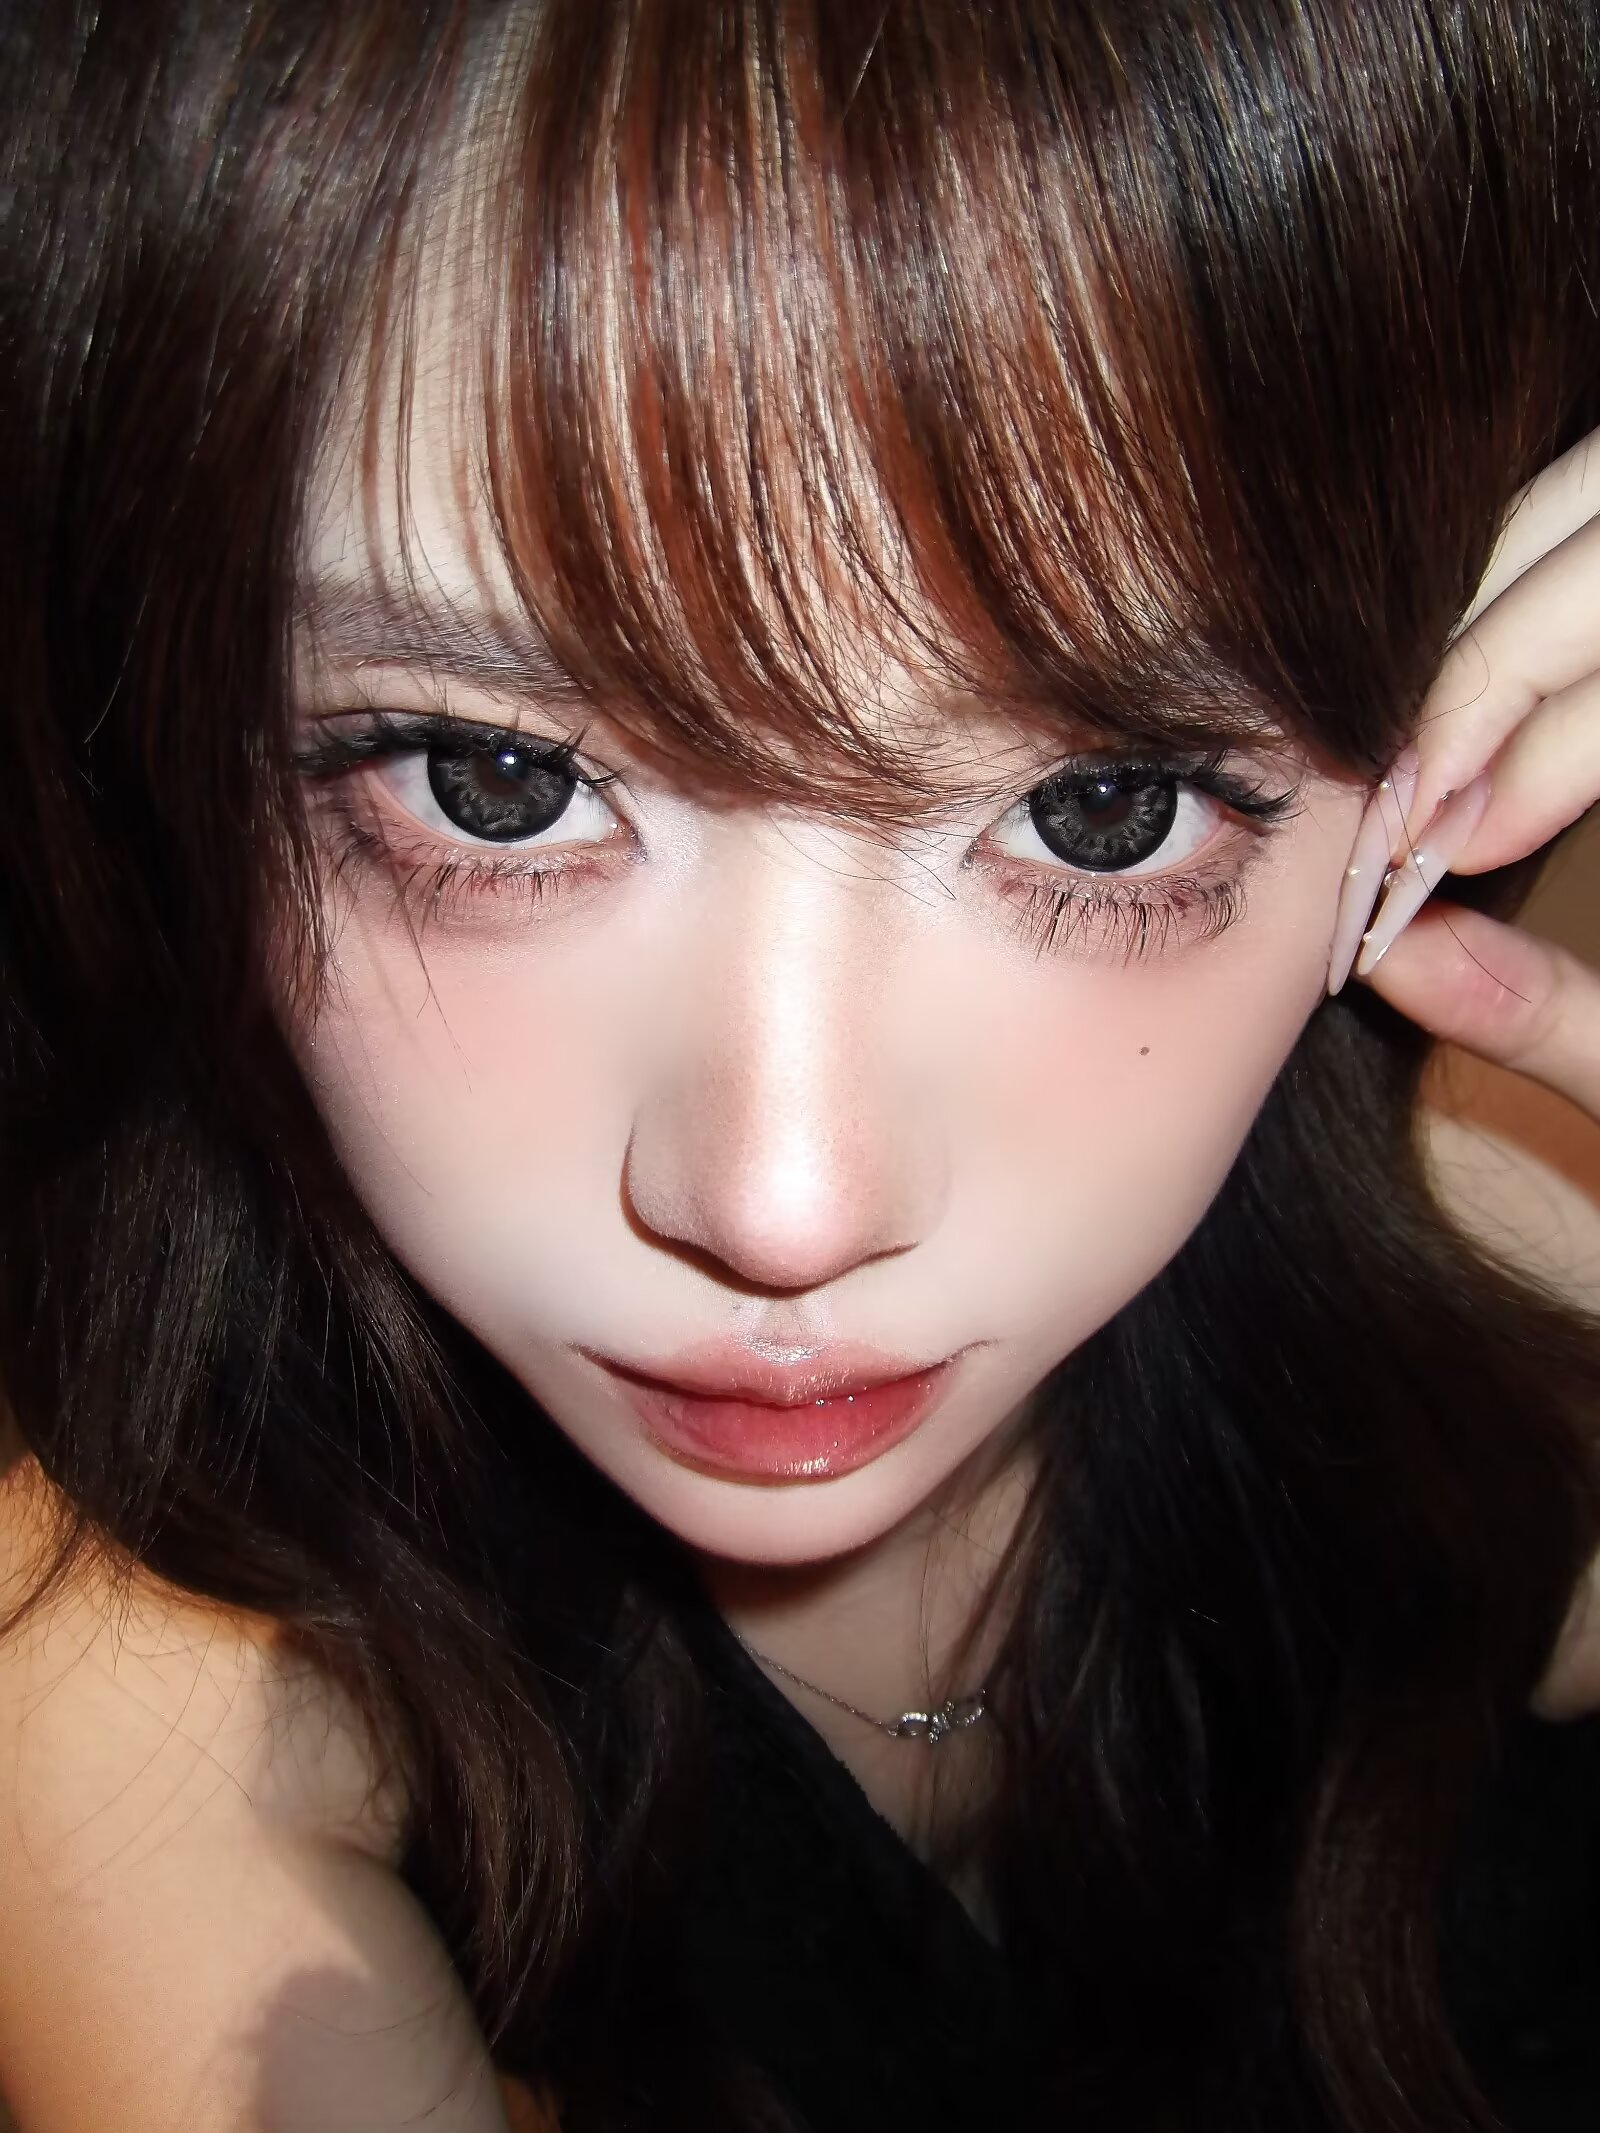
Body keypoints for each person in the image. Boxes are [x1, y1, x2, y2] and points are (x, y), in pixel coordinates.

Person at [1, 1, 1598, 2127]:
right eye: (488, 784)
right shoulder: (136, 1708)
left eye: (1101, 810)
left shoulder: (1519, 1263)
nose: (783, 1204)